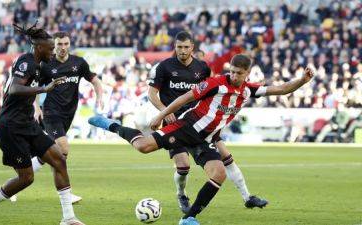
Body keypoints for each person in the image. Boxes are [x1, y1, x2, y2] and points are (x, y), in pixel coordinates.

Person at [88, 54, 314, 225]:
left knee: (219, 173)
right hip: (186, 127)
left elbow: (283, 89)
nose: (234, 76)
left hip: (204, 138)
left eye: (239, 73)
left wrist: (302, 81)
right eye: (233, 71)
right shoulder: (215, 83)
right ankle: (110, 124)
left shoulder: (248, 91)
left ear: (247, 74)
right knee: (143, 146)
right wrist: (161, 115)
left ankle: (188, 218)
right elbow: (185, 98)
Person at [0, 22, 85, 225]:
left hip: (27, 123)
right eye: (50, 48)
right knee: (26, 178)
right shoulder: (27, 62)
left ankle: (68, 218)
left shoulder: (38, 65)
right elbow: (15, 89)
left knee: (59, 159)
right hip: (11, 127)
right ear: (39, 47)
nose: (53, 52)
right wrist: (44, 90)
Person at [148, 31, 267, 213]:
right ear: (175, 47)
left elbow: (216, 85)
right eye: (179, 47)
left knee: (227, 158)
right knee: (183, 166)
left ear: (192, 48)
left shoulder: (202, 68)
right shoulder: (163, 67)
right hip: (177, 122)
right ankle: (181, 194)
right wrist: (164, 112)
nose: (183, 50)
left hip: (203, 122)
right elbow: (151, 95)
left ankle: (247, 197)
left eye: (186, 47)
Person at [28, 31, 103, 204]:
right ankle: (66, 194)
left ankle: (27, 171)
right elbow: (36, 87)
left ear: (70, 44)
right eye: (59, 44)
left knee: (54, 153)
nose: (63, 48)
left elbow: (95, 81)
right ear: (54, 45)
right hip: (51, 112)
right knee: (63, 148)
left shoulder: (79, 63)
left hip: (68, 114)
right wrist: (37, 108)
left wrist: (99, 97)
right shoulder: (47, 65)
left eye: (66, 44)